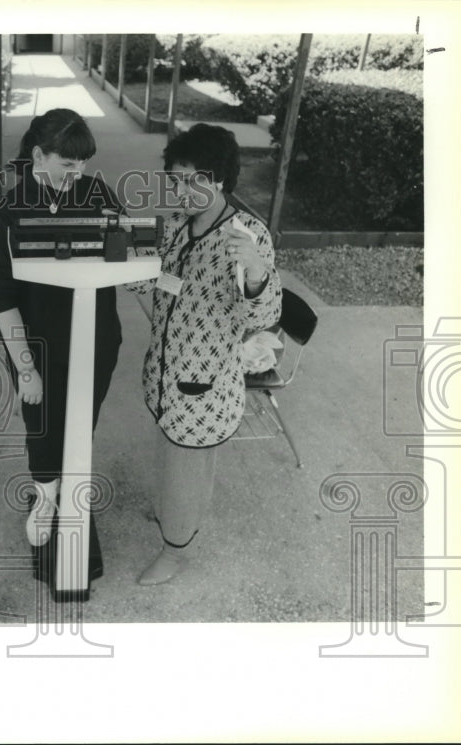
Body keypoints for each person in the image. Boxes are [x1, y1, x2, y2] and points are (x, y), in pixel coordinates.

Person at [131, 123, 282, 585]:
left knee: (186, 472)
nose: (176, 190)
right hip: (165, 373)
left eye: (186, 180)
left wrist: (256, 270)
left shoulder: (246, 236)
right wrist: (124, 259)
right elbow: (158, 280)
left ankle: (176, 551)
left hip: (202, 387)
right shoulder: (179, 222)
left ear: (216, 180)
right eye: (172, 179)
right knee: (173, 460)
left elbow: (263, 311)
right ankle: (173, 518)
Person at [0, 108, 124, 587]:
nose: (78, 173)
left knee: (79, 428)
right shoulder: (9, 208)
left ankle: (70, 495)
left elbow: (126, 250)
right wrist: (26, 369)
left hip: (96, 339)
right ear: (38, 155)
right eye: (67, 163)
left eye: (83, 163)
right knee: (42, 430)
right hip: (38, 345)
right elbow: (2, 297)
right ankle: (45, 498)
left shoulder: (95, 192)